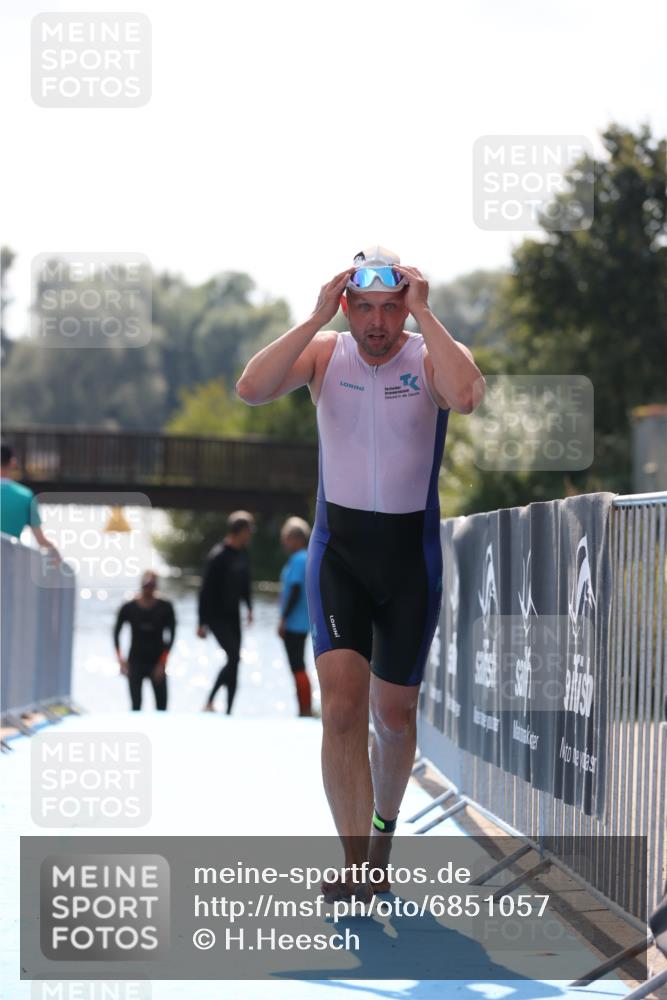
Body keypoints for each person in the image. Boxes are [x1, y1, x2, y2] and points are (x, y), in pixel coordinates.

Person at [236, 246, 484, 902]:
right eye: (364, 307)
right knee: (342, 708)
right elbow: (251, 389)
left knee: (393, 717)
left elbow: (465, 396)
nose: (377, 322)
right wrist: (315, 314)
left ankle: (382, 835)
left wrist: (427, 315)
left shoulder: (428, 355)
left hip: (409, 558)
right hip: (338, 551)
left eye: (390, 307)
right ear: (347, 306)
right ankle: (355, 867)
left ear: (406, 305)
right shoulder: (325, 352)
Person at [198, 511, 255, 714]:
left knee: (235, 661)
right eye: (249, 530)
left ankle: (229, 710)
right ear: (239, 531)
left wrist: (249, 608)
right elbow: (204, 591)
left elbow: (245, 584)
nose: (251, 534)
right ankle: (210, 701)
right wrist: (201, 622)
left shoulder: (243, 553)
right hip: (216, 616)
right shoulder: (218, 555)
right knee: (233, 657)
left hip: (233, 616)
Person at [113, 570, 176, 711]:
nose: (148, 588)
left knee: (162, 708)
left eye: (152, 585)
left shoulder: (165, 607)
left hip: (157, 661)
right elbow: (116, 634)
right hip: (135, 661)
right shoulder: (128, 607)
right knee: (136, 707)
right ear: (141, 585)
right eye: (146, 585)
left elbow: (171, 637)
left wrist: (163, 663)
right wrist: (121, 661)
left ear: (156, 586)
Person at [0, 444, 61, 562]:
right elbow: (41, 540)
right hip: (9, 564)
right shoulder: (25, 496)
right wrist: (55, 552)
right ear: (12, 463)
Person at [278, 516, 313, 718]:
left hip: (296, 622)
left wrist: (283, 618)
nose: (285, 541)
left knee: (297, 663)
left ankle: (305, 708)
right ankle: (303, 707)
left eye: (288, 537)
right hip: (297, 621)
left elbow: (296, 590)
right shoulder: (299, 558)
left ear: (298, 538)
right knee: (297, 664)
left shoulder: (300, 558)